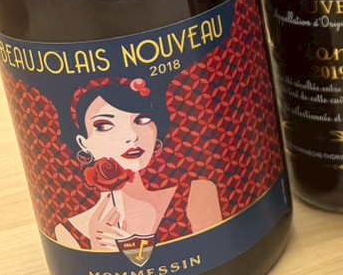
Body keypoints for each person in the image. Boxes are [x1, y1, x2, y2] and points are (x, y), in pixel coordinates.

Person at [54, 77, 223, 252]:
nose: (132, 136)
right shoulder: (69, 232)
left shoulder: (196, 195)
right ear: (83, 143)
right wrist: (99, 253)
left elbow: (216, 253)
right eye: (104, 125)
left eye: (142, 120)